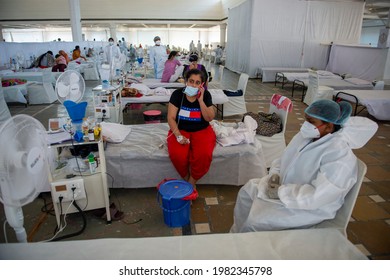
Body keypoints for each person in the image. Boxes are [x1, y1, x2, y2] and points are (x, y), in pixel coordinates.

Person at [231, 99, 378, 233]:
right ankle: (236, 235)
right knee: (248, 191)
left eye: (311, 121)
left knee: (256, 222)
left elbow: (319, 195)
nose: (305, 124)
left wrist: (281, 192)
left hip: (308, 206)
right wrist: (275, 174)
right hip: (285, 187)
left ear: (328, 127)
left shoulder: (339, 155)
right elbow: (282, 159)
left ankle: (248, 250)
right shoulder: (305, 137)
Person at [167, 69, 216, 189]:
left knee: (204, 154)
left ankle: (191, 183)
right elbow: (171, 117)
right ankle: (187, 178)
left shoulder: (206, 96)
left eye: (197, 82)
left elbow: (209, 118)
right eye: (191, 81)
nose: (193, 85)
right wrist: (178, 135)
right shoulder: (177, 95)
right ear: (186, 81)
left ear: (202, 84)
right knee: (178, 155)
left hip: (202, 130)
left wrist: (200, 100)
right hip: (181, 130)